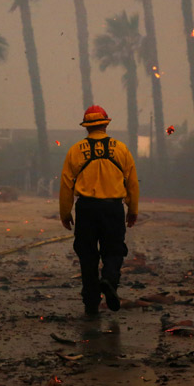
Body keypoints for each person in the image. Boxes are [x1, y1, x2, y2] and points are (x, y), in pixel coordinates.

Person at [59, 105, 139, 317]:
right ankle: (109, 279)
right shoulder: (121, 149)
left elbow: (66, 184)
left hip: (86, 209)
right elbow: (132, 182)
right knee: (114, 250)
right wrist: (133, 209)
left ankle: (91, 304)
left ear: (86, 127)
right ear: (105, 124)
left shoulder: (75, 150)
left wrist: (65, 213)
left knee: (87, 256)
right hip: (113, 208)